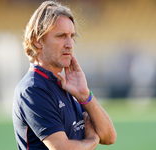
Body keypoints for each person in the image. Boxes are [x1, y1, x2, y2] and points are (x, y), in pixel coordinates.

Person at [12, 1, 117, 150]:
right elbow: (62, 148)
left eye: (71, 36)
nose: (70, 44)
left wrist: (85, 95)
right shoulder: (32, 89)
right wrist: (93, 140)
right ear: (37, 42)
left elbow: (109, 136)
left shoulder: (67, 85)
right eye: (61, 36)